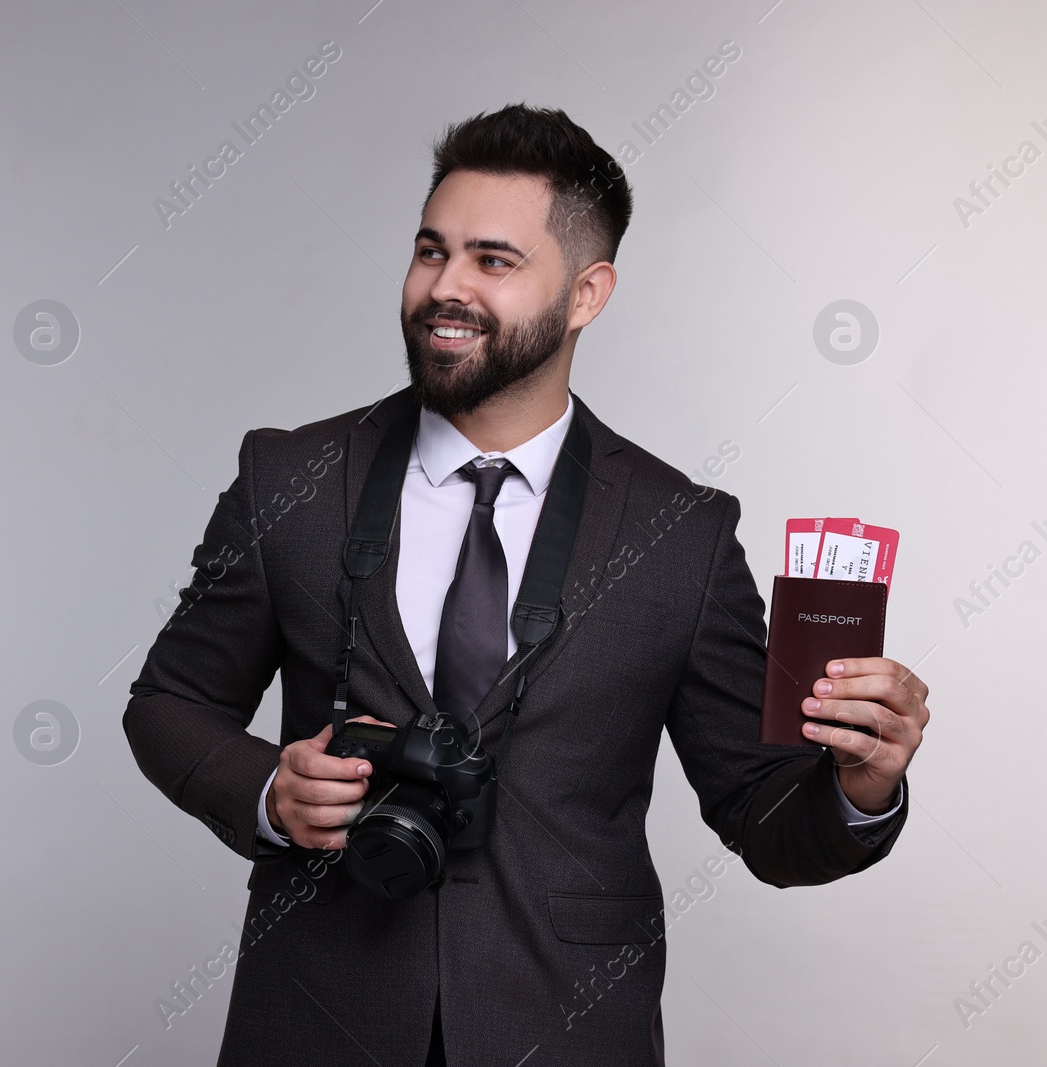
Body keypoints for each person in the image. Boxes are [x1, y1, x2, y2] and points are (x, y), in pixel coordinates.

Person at [122, 103, 928, 1067]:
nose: (443, 288)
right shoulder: (288, 476)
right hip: (313, 1018)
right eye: (431, 251)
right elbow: (169, 701)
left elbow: (762, 816)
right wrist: (269, 792)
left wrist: (862, 787)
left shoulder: (685, 532)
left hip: (571, 1031)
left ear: (587, 294)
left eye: (492, 261)